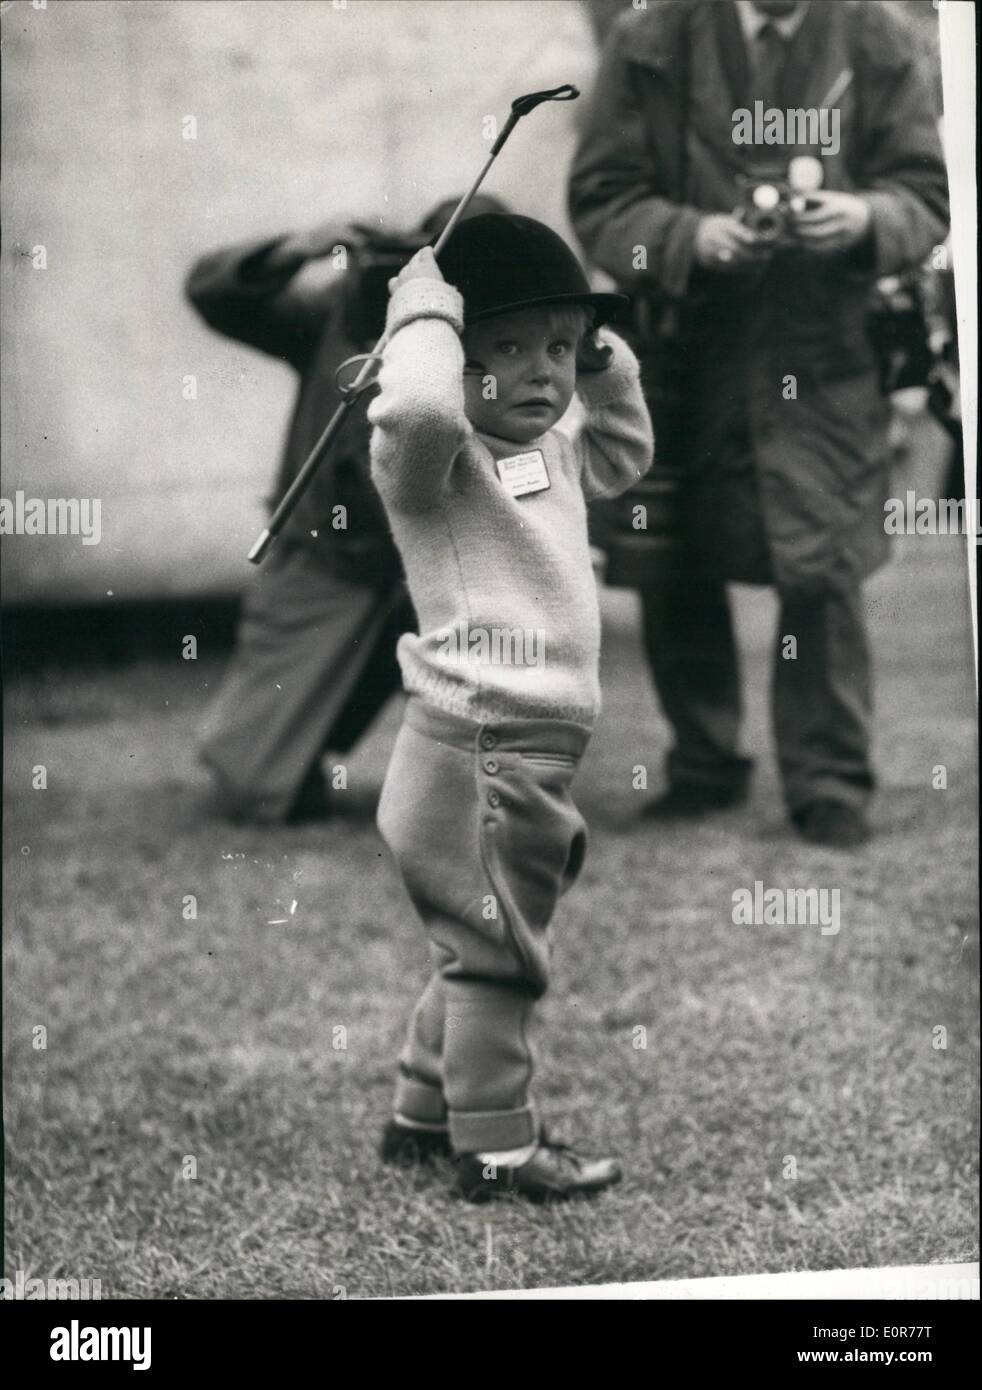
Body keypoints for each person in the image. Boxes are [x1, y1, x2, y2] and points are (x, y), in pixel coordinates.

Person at [569, 0, 949, 847]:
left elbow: (930, 192)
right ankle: (703, 763)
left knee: (819, 560)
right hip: (682, 344)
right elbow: (601, 199)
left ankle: (829, 783)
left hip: (820, 352)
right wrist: (688, 237)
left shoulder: (879, 38)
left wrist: (866, 218)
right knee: (674, 555)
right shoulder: (650, 40)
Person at [369, 214, 653, 1201]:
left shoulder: (557, 445)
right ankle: (493, 1145)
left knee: (476, 939)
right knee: (497, 957)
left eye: (561, 348)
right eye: (508, 350)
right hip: (481, 748)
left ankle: (418, 1111)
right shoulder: (431, 466)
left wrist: (604, 363)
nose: (543, 374)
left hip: (516, 753)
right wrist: (422, 317)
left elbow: (623, 451)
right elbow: (417, 412)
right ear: (454, 359)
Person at [185, 197, 503, 823]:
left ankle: (483, 781)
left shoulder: (497, 331)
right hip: (324, 558)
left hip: (431, 567)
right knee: (248, 785)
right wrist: (296, 248)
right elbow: (213, 295)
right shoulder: (339, 309)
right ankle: (292, 759)